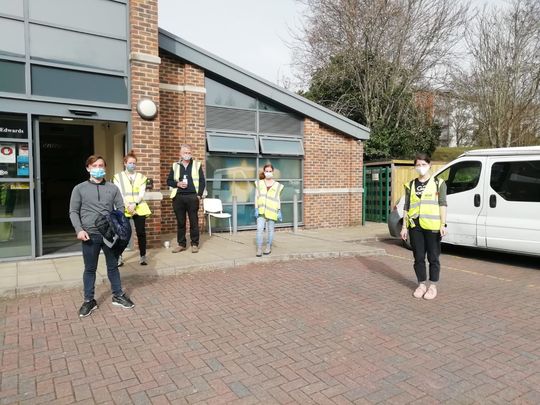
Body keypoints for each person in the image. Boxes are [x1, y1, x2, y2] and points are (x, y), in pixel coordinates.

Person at [69, 155, 135, 318]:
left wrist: (122, 227)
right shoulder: (79, 188)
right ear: (88, 168)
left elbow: (119, 209)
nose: (98, 168)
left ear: (105, 168)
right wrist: (79, 229)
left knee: (113, 266)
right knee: (90, 269)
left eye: (101, 166)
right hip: (89, 235)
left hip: (109, 235)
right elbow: (73, 211)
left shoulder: (113, 188)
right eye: (95, 166)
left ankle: (118, 295)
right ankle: (89, 300)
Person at [400, 153, 447, 300]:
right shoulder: (411, 185)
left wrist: (443, 224)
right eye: (418, 165)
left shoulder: (439, 183)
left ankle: (432, 286)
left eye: (423, 164)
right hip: (415, 226)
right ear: (415, 167)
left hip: (432, 225)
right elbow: (406, 207)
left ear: (429, 165)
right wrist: (404, 227)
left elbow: (442, 204)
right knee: (418, 257)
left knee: (433, 257)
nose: (421, 167)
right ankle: (421, 284)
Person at [113, 151, 151, 266]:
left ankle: (143, 256)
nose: (132, 165)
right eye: (130, 163)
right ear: (125, 163)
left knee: (141, 233)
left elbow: (141, 193)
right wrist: (128, 205)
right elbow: (119, 193)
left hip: (139, 207)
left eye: (134, 163)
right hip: (124, 207)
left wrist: (134, 204)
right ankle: (118, 256)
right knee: (123, 234)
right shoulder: (118, 177)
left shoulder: (141, 177)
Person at [166, 144, 206, 253]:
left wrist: (199, 195)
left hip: (192, 197)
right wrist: (177, 183)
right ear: (180, 154)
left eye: (189, 153)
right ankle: (181, 244)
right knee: (180, 222)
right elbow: (169, 181)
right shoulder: (175, 166)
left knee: (194, 222)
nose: (187, 155)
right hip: (178, 197)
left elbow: (202, 181)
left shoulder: (197, 165)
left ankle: (194, 244)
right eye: (185, 153)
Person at [254, 163, 284, 257]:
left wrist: (279, 210)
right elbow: (256, 197)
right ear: (264, 172)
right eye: (266, 171)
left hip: (272, 210)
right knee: (259, 229)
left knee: (270, 230)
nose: (268, 173)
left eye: (270, 171)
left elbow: (278, 198)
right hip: (261, 210)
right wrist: (256, 208)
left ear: (272, 172)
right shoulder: (259, 183)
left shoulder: (277, 185)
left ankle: (268, 247)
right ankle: (259, 249)